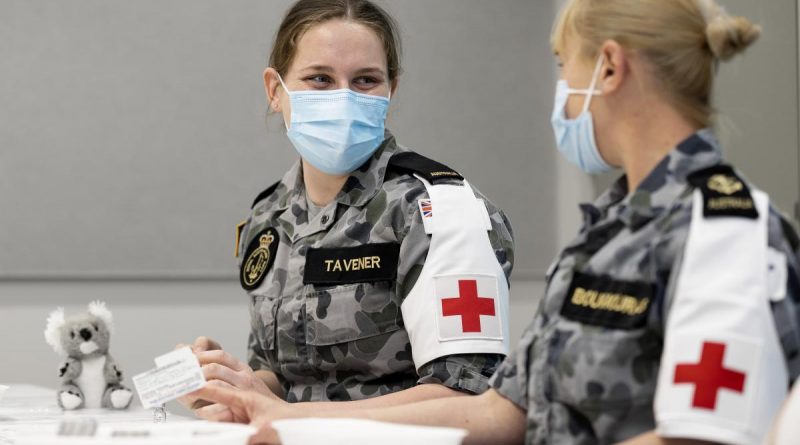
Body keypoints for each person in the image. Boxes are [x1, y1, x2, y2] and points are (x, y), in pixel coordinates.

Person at [190, 0, 800, 444]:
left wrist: (292, 421)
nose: (560, 89)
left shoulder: (727, 231)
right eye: (319, 79)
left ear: (607, 69)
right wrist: (271, 408)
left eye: (565, 64)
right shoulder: (605, 234)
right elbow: (504, 412)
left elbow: (711, 437)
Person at [177, 0, 516, 419]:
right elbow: (284, 380)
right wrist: (229, 384)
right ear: (275, 90)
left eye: (365, 80)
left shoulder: (437, 211)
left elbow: (467, 396)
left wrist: (288, 417)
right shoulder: (269, 216)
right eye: (320, 78)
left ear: (392, 88)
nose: (343, 98)